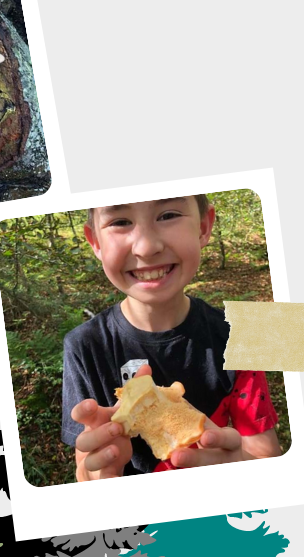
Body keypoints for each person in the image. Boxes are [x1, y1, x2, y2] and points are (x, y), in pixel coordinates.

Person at [63, 195, 282, 480]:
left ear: (203, 227)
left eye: (168, 215)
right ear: (95, 242)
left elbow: (266, 454)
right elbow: (86, 466)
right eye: (120, 221)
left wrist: (244, 468)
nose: (146, 246)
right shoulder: (83, 345)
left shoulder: (246, 331)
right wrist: (99, 474)